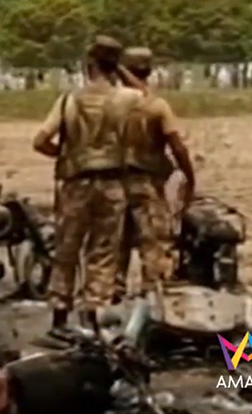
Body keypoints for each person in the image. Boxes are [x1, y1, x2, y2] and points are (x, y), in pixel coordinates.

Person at [32, 35, 141, 336]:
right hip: (112, 183)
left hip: (75, 182)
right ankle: (93, 315)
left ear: (88, 64)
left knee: (66, 250)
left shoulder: (69, 99)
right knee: (103, 252)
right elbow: (152, 99)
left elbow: (40, 141)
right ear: (114, 66)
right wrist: (121, 71)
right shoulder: (128, 99)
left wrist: (66, 154)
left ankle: (59, 319)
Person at [113, 47, 196, 303]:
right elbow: (176, 145)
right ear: (149, 71)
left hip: (112, 183)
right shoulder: (156, 106)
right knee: (154, 245)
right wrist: (189, 175)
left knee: (116, 244)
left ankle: (113, 297)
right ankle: (152, 298)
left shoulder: (109, 104)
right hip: (146, 183)